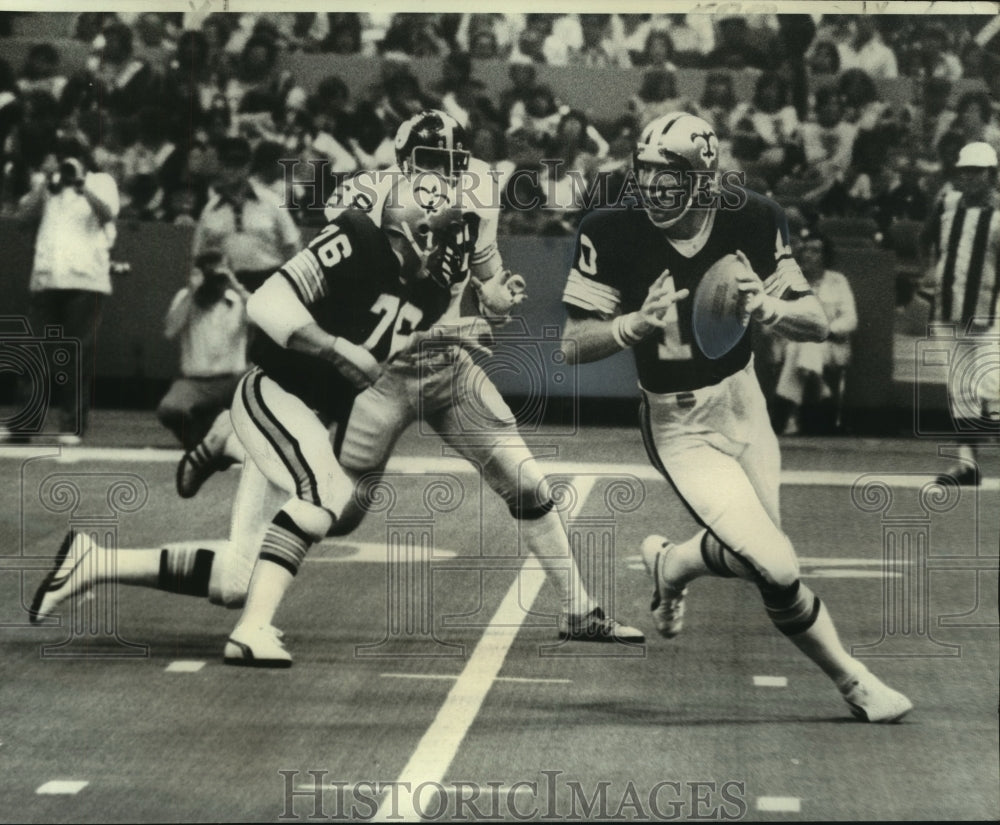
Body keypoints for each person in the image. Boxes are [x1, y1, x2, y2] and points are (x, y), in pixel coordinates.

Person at [558, 111, 912, 723]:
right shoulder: (611, 228)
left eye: (668, 179)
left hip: (744, 401)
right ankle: (854, 682)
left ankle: (671, 564)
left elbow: (816, 322)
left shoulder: (752, 215)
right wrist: (631, 325)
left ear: (703, 178)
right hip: (679, 422)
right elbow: (571, 343)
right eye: (645, 175)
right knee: (775, 565)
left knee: (757, 554)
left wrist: (767, 307)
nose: (652, 190)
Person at [8, 134, 120, 444]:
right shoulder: (46, 185)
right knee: (34, 354)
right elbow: (22, 220)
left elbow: (108, 214)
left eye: (72, 155)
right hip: (47, 278)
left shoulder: (101, 182)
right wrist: (45, 184)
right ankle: (24, 425)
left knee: (76, 356)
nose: (66, 161)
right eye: (62, 156)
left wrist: (81, 184)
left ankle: (71, 425)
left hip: (86, 280)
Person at [922, 142, 1000, 486]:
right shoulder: (946, 204)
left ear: (991, 176)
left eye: (977, 172)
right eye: (965, 171)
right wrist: (931, 269)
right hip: (950, 309)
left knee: (993, 386)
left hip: (990, 311)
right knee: (962, 389)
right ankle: (967, 465)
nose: (969, 177)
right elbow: (924, 238)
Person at [155, 251, 250, 497]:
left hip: (234, 380)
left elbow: (265, 321)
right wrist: (192, 290)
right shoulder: (187, 298)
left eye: (221, 274)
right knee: (171, 408)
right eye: (212, 274)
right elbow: (170, 330)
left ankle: (224, 442)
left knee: (263, 380)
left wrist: (235, 285)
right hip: (197, 382)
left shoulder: (236, 299)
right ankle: (203, 446)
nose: (216, 281)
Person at [770, 227, 858, 435]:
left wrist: (823, 331)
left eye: (815, 251)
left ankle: (785, 414)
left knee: (803, 346)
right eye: (806, 250)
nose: (808, 255)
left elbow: (850, 320)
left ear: (825, 256)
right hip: (794, 344)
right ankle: (822, 391)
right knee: (802, 346)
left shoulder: (838, 281)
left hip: (832, 346)